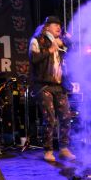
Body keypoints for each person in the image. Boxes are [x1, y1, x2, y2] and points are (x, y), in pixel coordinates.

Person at [28, 16, 76, 162]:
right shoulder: (38, 40)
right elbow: (33, 58)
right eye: (55, 25)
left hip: (59, 85)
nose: (58, 27)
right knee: (50, 119)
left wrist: (67, 40)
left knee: (66, 117)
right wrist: (50, 49)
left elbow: (72, 50)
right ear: (47, 27)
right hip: (44, 85)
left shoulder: (60, 42)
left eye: (59, 25)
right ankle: (48, 150)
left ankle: (64, 148)